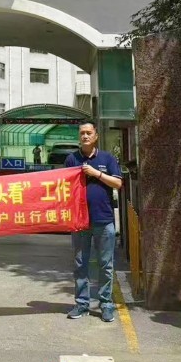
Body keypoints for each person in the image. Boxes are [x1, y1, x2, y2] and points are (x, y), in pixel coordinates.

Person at [64, 122, 122, 322]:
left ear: (96, 136)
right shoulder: (72, 159)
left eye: (89, 133)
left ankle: (106, 304)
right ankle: (82, 304)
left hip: (103, 220)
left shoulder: (107, 158)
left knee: (106, 264)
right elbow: (64, 187)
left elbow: (118, 183)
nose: (85, 136)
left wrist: (96, 173)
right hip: (80, 221)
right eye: (82, 133)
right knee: (80, 264)